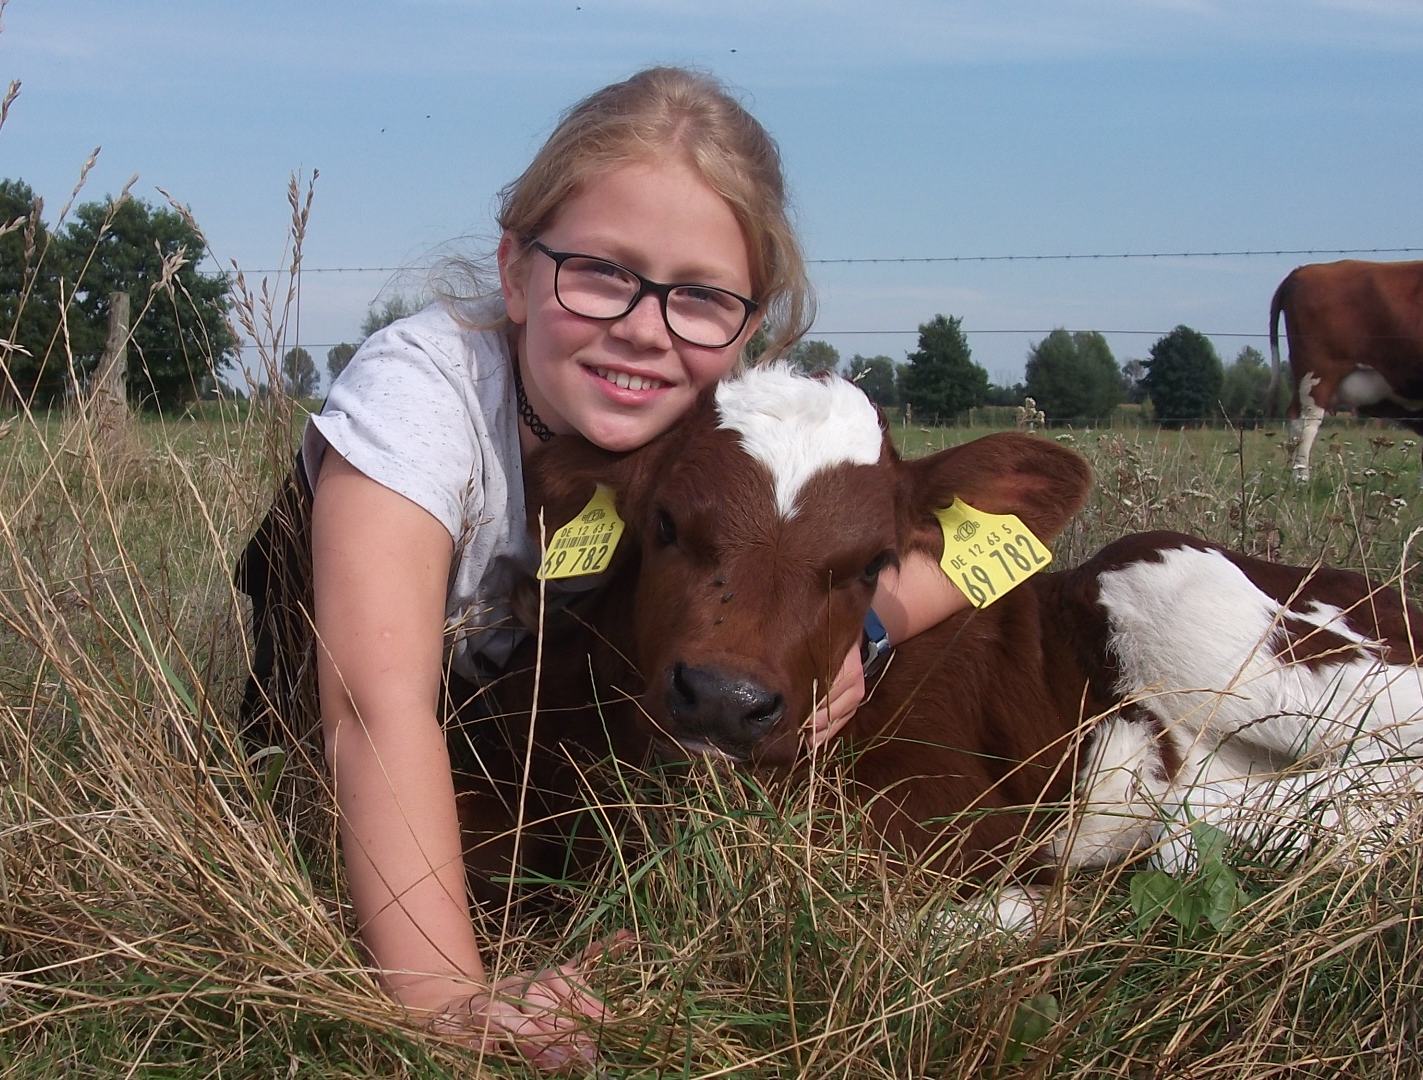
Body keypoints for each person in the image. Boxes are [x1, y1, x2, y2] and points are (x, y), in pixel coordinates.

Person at [239, 66, 968, 1071]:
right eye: (599, 271)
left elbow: (952, 549)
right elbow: (373, 705)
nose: (643, 325)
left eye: (701, 297)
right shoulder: (423, 394)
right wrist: (452, 1004)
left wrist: (869, 631)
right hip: (348, 749)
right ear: (516, 271)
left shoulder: (713, 433)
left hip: (517, 747)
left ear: (748, 327)